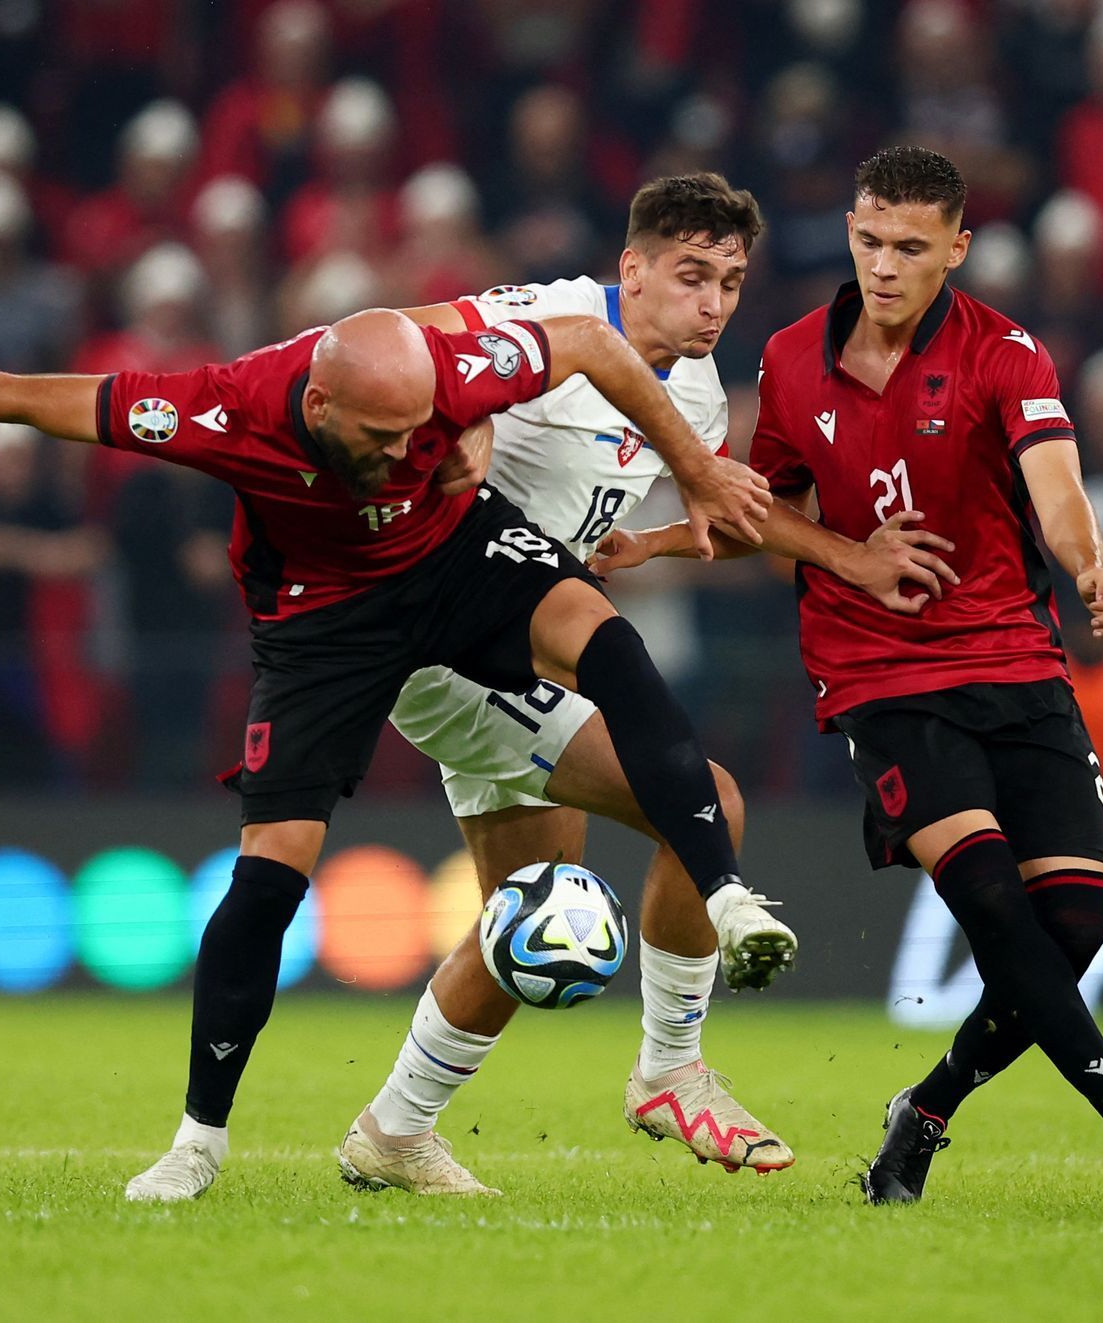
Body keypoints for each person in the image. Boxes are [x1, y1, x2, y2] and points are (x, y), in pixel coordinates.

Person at [0, 296, 773, 1205]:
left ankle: (724, 897)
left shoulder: (448, 375)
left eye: (423, 429)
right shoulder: (223, 410)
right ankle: (197, 1143)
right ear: (318, 409)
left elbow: (586, 337)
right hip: (326, 624)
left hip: (454, 560)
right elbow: (17, 393)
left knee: (612, 644)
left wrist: (686, 471)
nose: (405, 451)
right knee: (270, 877)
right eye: (381, 435)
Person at [593, 147, 1103, 1209]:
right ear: (849, 232)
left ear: (958, 247)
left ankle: (926, 1108)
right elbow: (768, 511)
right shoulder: (797, 359)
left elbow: (1056, 488)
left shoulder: (1004, 352)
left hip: (1016, 660)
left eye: (908, 246)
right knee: (993, 905)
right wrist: (659, 544)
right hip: (878, 676)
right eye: (867, 241)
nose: (885, 265)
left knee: (1069, 929)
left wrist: (1089, 569)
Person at [350, 173, 945, 1193]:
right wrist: (459, 414)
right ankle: (671, 1069)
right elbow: (391, 336)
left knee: (531, 913)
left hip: (521, 651)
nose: (712, 303)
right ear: (632, 270)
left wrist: (666, 543)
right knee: (702, 799)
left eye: (729, 281)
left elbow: (723, 509)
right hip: (448, 642)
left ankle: (394, 1133)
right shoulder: (559, 317)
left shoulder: (700, 389)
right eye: (690, 276)